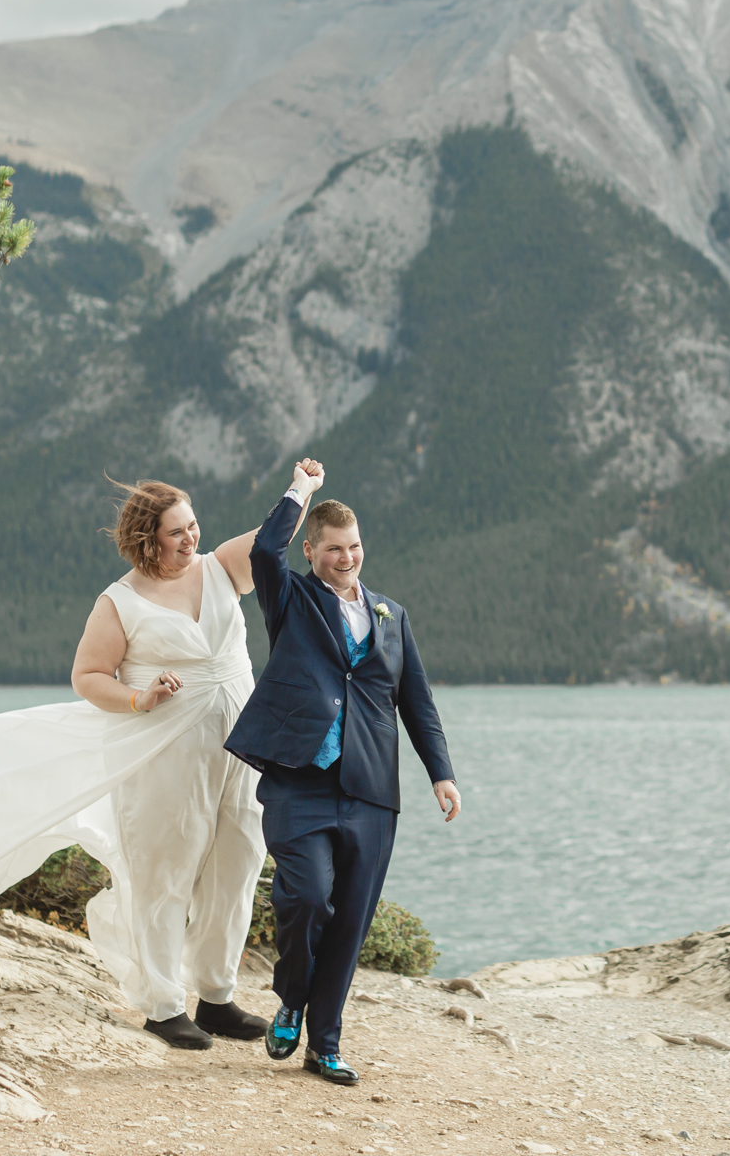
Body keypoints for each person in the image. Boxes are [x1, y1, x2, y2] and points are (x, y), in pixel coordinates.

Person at [0, 478, 301, 1051]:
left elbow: (273, 540)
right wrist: (139, 697)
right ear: (147, 540)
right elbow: (87, 677)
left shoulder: (221, 567)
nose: (191, 538)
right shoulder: (120, 602)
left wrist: (301, 489)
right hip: (166, 750)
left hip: (243, 741)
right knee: (166, 869)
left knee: (240, 860)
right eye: (176, 532)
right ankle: (162, 1004)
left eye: (193, 526)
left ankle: (217, 997)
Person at [224, 458, 460, 1086]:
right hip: (300, 779)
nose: (347, 558)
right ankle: (292, 1000)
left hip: (370, 790)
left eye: (354, 547)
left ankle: (323, 1044)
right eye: (334, 548)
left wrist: (441, 773)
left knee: (351, 917)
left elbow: (416, 702)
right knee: (304, 897)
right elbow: (266, 547)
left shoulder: (392, 616)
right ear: (313, 550)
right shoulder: (291, 596)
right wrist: (302, 489)